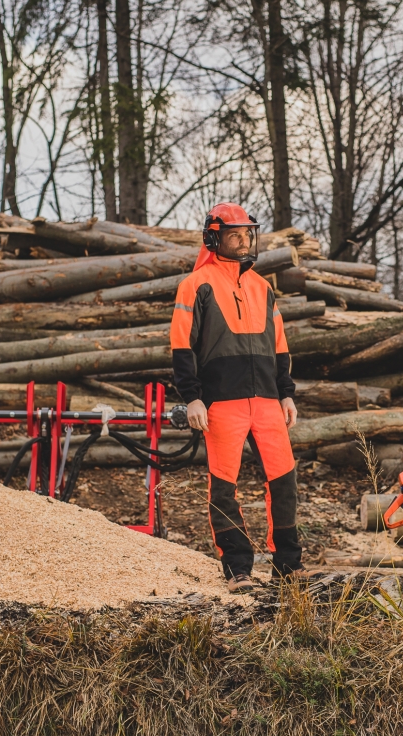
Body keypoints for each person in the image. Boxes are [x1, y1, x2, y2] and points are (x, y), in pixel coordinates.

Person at [170, 202, 304, 593]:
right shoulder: (195, 285)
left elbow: (280, 346)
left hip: (266, 400)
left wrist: (286, 394)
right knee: (223, 485)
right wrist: (192, 397)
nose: (244, 241)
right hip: (221, 402)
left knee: (284, 480)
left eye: (247, 234)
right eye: (235, 235)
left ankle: (288, 564)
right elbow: (182, 345)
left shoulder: (262, 287)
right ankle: (237, 568)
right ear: (215, 237)